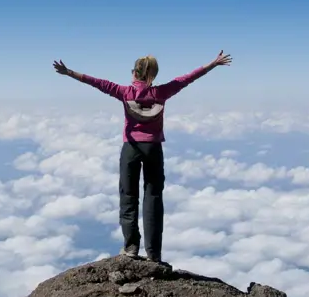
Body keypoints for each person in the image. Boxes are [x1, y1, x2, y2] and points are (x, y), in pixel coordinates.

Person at [52, 51, 233, 263]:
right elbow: (188, 78)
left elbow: (96, 82)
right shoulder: (162, 92)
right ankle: (154, 253)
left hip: (130, 148)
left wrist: (68, 72)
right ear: (152, 75)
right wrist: (212, 64)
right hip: (153, 149)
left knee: (128, 197)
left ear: (134, 73)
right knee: (153, 197)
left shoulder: (124, 92)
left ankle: (131, 247)